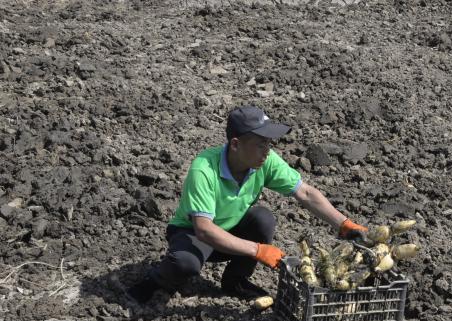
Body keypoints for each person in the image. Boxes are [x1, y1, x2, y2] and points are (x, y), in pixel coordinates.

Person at [127, 105, 367, 304]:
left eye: (269, 144)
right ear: (235, 144)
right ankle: (156, 281)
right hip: (195, 234)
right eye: (260, 144)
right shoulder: (204, 169)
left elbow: (304, 192)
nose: (267, 151)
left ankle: (235, 282)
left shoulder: (265, 161)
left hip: (231, 229)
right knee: (185, 263)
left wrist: (343, 224)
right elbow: (204, 229)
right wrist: (257, 250)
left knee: (263, 219)